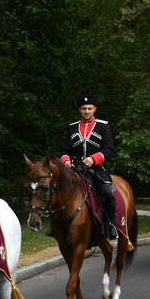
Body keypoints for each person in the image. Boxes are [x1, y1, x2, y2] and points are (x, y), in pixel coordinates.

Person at [61, 95, 117, 239]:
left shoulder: (103, 126)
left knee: (107, 193)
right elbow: (65, 150)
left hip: (95, 168)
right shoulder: (72, 128)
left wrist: (93, 159)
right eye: (84, 108)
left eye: (89, 108)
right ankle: (56, 226)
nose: (87, 111)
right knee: (58, 191)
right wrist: (66, 160)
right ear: (80, 110)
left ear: (94, 109)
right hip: (74, 168)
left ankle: (111, 225)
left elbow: (109, 149)